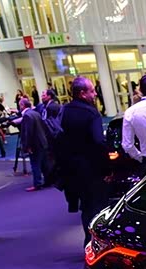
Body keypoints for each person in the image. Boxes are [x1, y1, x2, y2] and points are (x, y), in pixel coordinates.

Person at [57, 77, 108, 244]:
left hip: (71, 169)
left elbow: (58, 137)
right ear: (82, 93)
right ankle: (98, 244)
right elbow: (99, 141)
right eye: (92, 91)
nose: (95, 94)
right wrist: (107, 168)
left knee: (85, 208)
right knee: (98, 207)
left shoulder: (64, 110)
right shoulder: (91, 113)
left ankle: (88, 241)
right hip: (92, 168)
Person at [18, 98, 48, 191]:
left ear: (22, 105)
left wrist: (28, 146)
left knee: (35, 164)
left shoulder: (27, 116)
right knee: (43, 163)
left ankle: (37, 183)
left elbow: (28, 132)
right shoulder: (36, 113)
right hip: (42, 141)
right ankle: (47, 181)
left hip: (35, 144)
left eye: (20, 105)